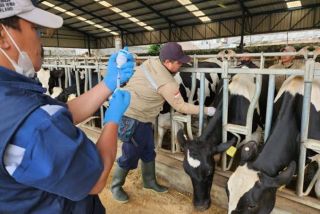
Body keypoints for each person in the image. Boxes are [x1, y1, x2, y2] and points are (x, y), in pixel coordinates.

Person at [0, 0, 134, 213]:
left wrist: (108, 83)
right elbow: (96, 181)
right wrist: (112, 120)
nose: (40, 38)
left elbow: (63, 113)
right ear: (3, 35)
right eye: (35, 29)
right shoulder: (33, 125)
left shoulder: (13, 92)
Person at [111, 42, 216, 203]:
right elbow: (180, 106)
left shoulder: (151, 62)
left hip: (143, 118)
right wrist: (207, 110)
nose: (181, 65)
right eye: (178, 62)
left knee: (148, 150)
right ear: (167, 62)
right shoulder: (167, 82)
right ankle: (116, 186)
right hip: (132, 117)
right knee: (130, 153)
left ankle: (149, 181)